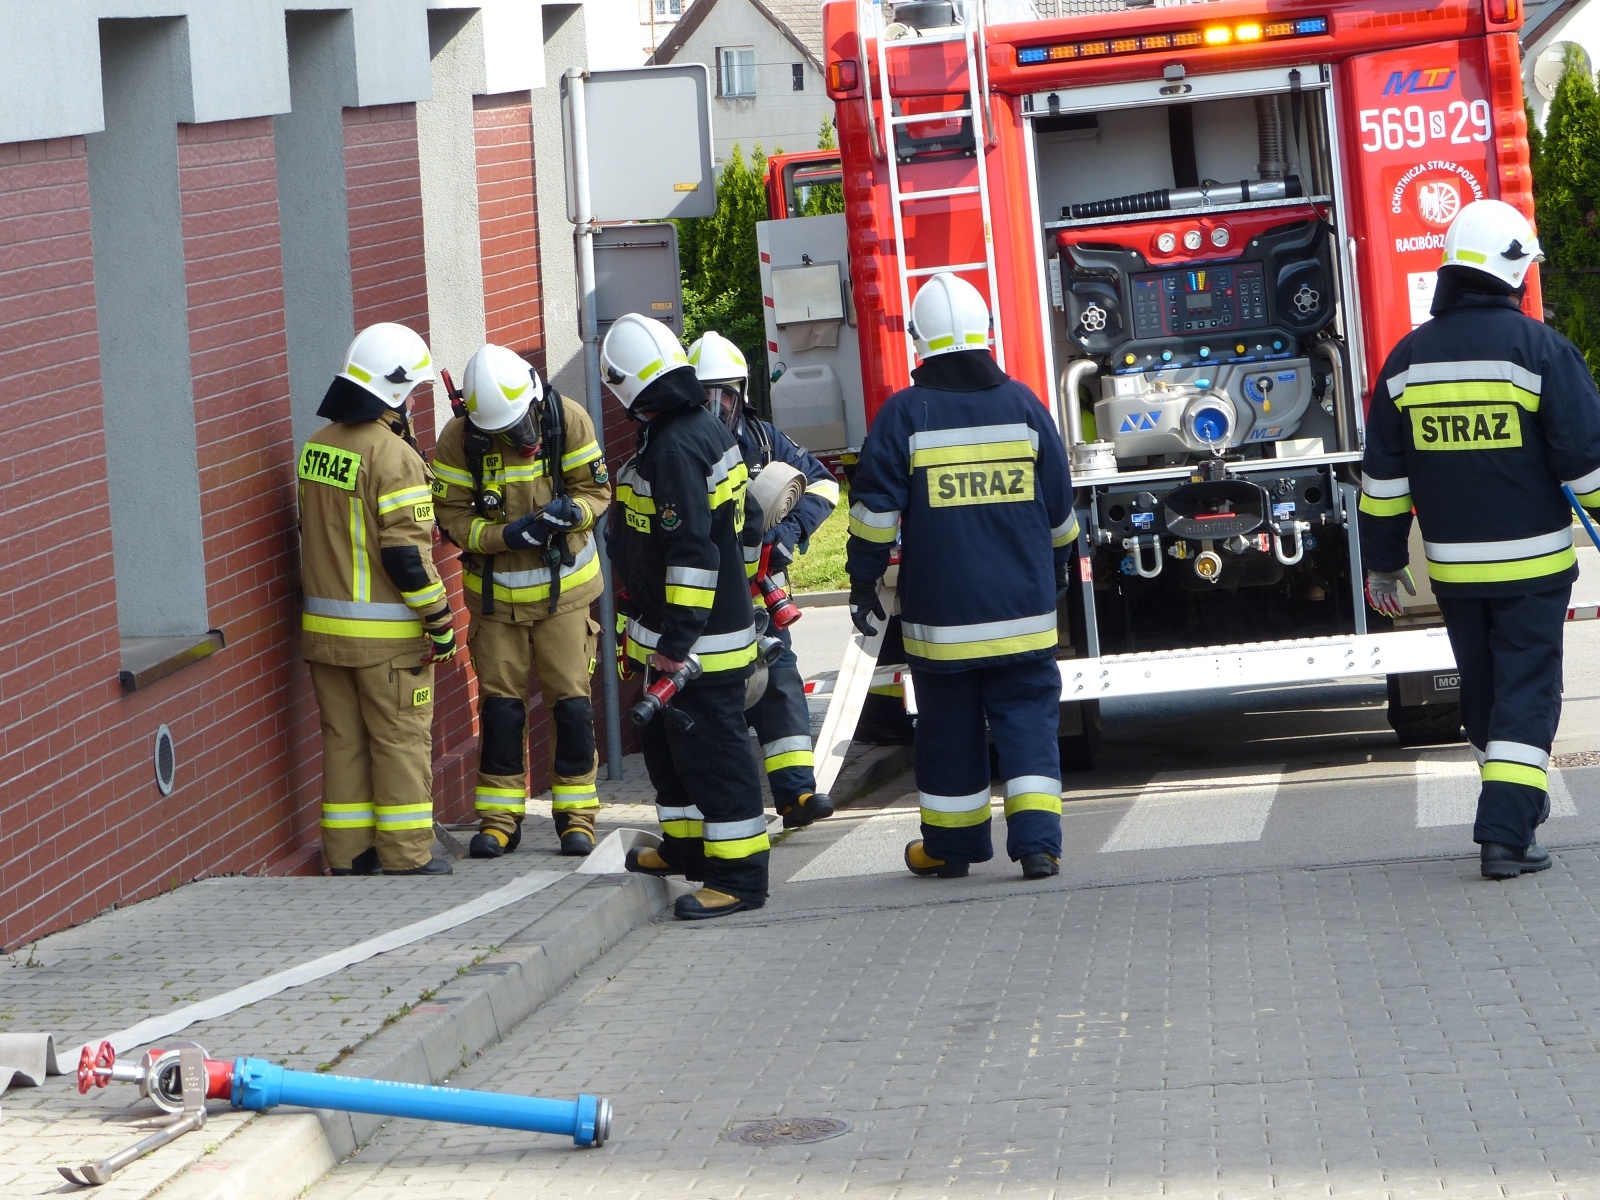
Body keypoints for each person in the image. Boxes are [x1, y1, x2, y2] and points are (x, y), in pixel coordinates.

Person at [1359, 198, 1600, 880]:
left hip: (1456, 576)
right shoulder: (1542, 350)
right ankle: (1503, 831)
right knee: (1527, 695)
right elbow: (1587, 466)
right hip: (1533, 571)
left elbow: (1382, 485)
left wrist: (1381, 565)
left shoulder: (1406, 361)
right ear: (1513, 270)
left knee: (1487, 696)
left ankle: (1515, 824)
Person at [844, 273, 1078, 881]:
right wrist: (1056, 572)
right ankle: (1038, 846)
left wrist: (864, 582)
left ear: (919, 341)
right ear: (987, 332)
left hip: (942, 623)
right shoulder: (1026, 405)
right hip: (1024, 614)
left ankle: (951, 849)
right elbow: (1059, 509)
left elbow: (873, 516)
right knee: (1028, 726)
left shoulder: (905, 415)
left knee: (948, 732)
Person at [602, 314, 769, 920]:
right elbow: (747, 523)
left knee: (716, 759)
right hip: (691, 631)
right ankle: (688, 851)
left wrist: (676, 642)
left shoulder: (674, 446)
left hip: (699, 646)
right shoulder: (699, 427)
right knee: (672, 756)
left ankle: (741, 878)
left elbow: (692, 555)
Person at [432, 344, 612, 858]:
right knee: (502, 712)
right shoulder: (459, 440)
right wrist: (506, 536)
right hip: (496, 605)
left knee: (572, 708)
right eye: (505, 430)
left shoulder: (565, 419)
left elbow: (597, 492)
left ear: (535, 398)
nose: (522, 439)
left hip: (565, 598)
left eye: (522, 424)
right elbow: (452, 518)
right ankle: (499, 819)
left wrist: (569, 513)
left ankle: (576, 818)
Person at [298, 322, 456, 877]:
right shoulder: (394, 457)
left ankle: (347, 855)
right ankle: (408, 856)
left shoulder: (316, 449)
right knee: (400, 743)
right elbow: (406, 559)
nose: (411, 402)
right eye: (410, 391)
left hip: (325, 634)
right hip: (387, 643)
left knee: (343, 742)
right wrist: (440, 623)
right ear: (393, 390)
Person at [688, 329, 839, 829]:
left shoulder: (762, 439)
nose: (717, 406)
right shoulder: (680, 446)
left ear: (741, 393)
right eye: (706, 393)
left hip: (759, 593)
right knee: (715, 700)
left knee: (781, 686)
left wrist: (791, 532)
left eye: (725, 394)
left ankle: (797, 795)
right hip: (702, 600)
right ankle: (721, 807)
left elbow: (821, 482)